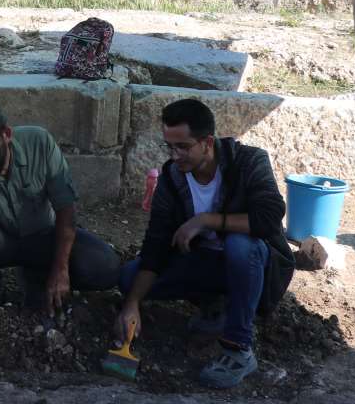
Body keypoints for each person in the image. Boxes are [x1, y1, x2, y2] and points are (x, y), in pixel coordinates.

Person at [114, 98, 294, 389]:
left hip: (256, 266)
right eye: (169, 147)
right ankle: (216, 307)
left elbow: (269, 218)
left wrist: (207, 220)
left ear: (207, 142)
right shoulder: (172, 178)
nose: (174, 156)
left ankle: (238, 348)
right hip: (205, 265)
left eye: (182, 147)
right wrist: (132, 304)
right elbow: (156, 245)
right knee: (128, 278)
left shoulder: (247, 161)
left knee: (240, 245)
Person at [0, 101, 120, 352]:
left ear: (6, 134)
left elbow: (66, 209)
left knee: (104, 265)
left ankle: (39, 278)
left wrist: (61, 268)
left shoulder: (38, 143)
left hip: (44, 236)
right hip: (1, 243)